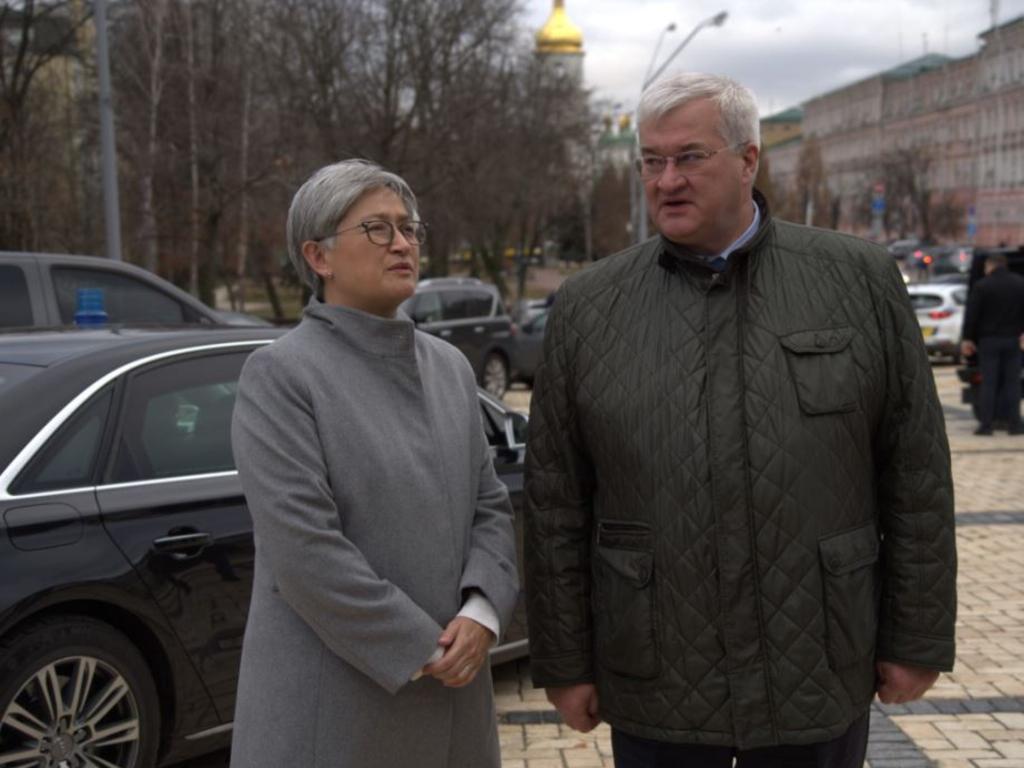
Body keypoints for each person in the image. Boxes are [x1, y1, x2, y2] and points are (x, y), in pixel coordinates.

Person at [524, 73, 956, 767]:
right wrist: (564, 661)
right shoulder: (588, 308)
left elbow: (915, 474)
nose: (666, 180)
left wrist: (916, 638)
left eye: (690, 157)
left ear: (749, 159)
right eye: (651, 161)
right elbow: (556, 504)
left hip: (816, 658)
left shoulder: (856, 281)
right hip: (658, 672)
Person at [229, 159, 518, 768]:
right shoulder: (282, 375)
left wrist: (481, 611)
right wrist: (422, 646)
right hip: (338, 714)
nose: (404, 243)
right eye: (378, 230)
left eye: (409, 228)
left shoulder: (449, 367)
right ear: (319, 257)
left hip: (455, 708)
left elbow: (488, 505)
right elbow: (305, 551)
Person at [960, 251, 1024, 435]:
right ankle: (1016, 425)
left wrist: (967, 339)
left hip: (988, 341)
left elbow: (972, 315)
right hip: (1013, 341)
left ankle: (986, 425)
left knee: (989, 384)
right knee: (1013, 384)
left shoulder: (981, 285)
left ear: (990, 266)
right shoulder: (1020, 283)